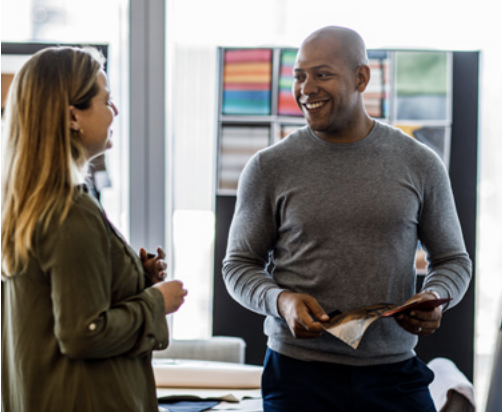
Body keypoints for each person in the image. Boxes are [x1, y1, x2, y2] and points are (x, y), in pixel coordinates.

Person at [222, 26, 472, 412]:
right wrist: (282, 301)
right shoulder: (268, 167)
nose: (307, 88)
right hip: (297, 375)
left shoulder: (419, 162)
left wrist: (436, 298)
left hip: (393, 374)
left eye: (322, 74)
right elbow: (238, 266)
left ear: (361, 78)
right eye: (299, 76)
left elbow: (454, 260)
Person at [1, 46, 187, 412]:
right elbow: (83, 333)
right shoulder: (69, 209)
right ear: (74, 116)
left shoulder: (29, 202)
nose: (115, 111)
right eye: (108, 100)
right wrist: (156, 301)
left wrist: (133, 278)